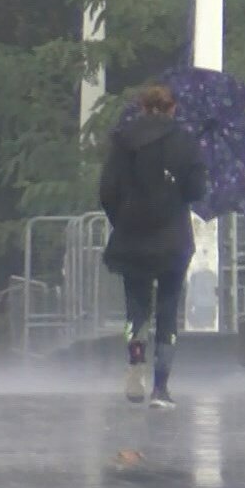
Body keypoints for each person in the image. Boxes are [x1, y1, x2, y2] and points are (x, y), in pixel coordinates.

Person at [100, 84, 208, 408]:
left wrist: (122, 219)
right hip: (172, 237)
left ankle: (135, 357)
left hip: (133, 235)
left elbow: (107, 190)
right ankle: (161, 389)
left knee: (136, 306)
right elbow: (196, 191)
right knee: (168, 308)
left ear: (142, 108)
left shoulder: (123, 140)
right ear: (173, 108)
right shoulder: (186, 142)